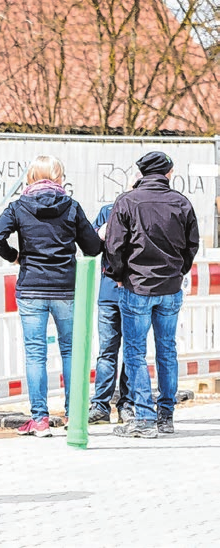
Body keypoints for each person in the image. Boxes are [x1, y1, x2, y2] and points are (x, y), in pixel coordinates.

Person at [0, 155, 102, 438]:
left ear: (30, 178)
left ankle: (39, 420)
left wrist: (16, 257)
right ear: (59, 178)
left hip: (32, 288)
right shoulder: (71, 207)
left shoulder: (19, 206)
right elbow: (92, 247)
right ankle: (74, 414)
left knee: (36, 354)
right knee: (71, 350)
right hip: (65, 288)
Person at [105, 151, 199, 438]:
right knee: (167, 350)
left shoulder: (127, 201)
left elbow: (114, 245)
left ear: (142, 173)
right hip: (170, 287)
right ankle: (166, 416)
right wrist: (178, 271)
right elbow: (191, 245)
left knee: (135, 352)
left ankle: (144, 418)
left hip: (137, 286)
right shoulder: (181, 202)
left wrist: (118, 275)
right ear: (168, 172)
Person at [88, 204, 133, 425]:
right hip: (109, 294)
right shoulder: (108, 211)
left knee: (132, 353)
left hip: (135, 292)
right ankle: (100, 405)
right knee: (107, 351)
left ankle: (127, 404)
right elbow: (92, 246)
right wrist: (102, 231)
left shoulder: (143, 208)